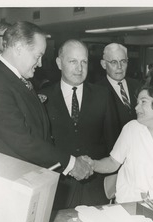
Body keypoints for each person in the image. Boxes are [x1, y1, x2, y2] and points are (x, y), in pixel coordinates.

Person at [0, 21, 92, 183]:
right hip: (8, 183)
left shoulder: (15, 78)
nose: (40, 63)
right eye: (38, 56)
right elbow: (23, 141)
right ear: (19, 48)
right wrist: (71, 163)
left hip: (25, 176)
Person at [40, 40, 119, 209]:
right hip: (59, 187)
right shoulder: (43, 98)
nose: (79, 68)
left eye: (84, 62)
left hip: (96, 187)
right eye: (73, 61)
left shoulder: (102, 95)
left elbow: (114, 144)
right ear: (59, 63)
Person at [97, 43, 141, 138]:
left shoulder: (137, 86)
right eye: (114, 62)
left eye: (123, 61)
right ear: (104, 64)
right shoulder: (97, 91)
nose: (119, 66)